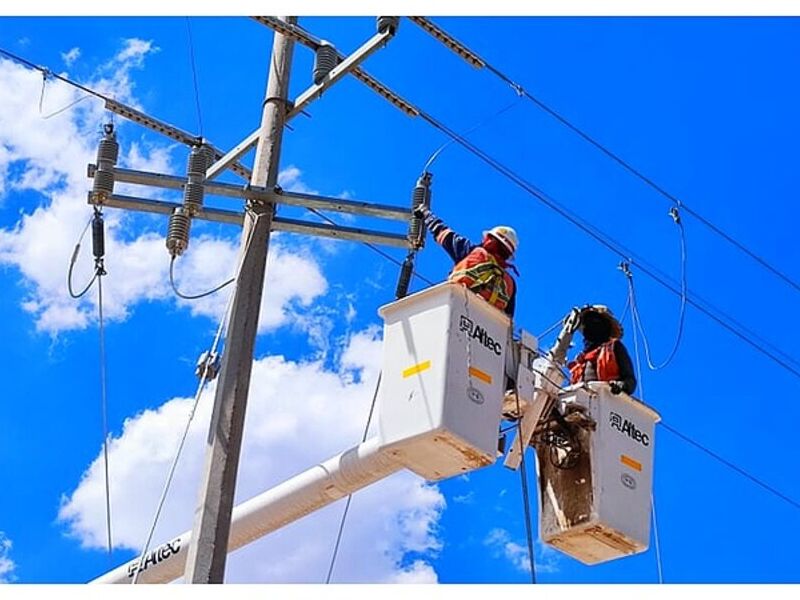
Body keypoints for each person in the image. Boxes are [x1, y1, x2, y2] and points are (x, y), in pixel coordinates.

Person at [415, 206, 518, 317]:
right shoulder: (509, 283)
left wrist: (426, 213)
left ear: (489, 240)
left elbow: (443, 233)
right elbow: (507, 321)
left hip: (454, 307)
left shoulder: (474, 253)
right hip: (485, 328)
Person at [568, 305, 637, 395]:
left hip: (606, 401)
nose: (591, 326)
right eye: (588, 322)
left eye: (596, 321)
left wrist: (621, 385)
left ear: (605, 326)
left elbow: (630, 380)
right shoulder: (580, 360)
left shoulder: (614, 347)